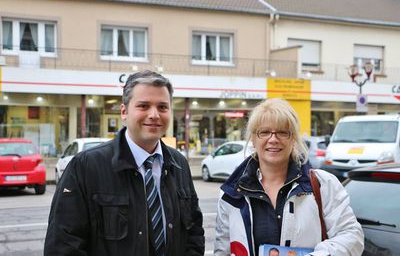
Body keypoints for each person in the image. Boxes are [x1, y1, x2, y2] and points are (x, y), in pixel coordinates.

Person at [44, 70, 205, 255]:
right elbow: (63, 246)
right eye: (143, 106)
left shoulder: (179, 164)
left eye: (162, 107)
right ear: (124, 111)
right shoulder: (85, 166)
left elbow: (194, 233)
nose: (154, 115)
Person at [214, 98, 364, 256]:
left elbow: (352, 235)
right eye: (264, 132)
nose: (273, 139)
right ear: (253, 138)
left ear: (293, 138)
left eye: (282, 132)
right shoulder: (231, 195)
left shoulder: (322, 184)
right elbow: (222, 251)